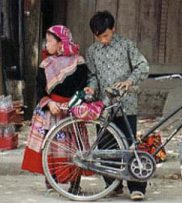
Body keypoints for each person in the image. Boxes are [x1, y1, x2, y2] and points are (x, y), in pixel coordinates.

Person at [84, 11, 149, 201]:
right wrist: (90, 89)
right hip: (104, 105)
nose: (102, 40)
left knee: (130, 145)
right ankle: (113, 183)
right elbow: (93, 76)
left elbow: (142, 66)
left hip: (126, 104)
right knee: (106, 145)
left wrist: (129, 82)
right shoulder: (92, 52)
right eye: (98, 37)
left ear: (113, 29)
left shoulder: (126, 45)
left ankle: (137, 187)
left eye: (105, 35)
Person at [21, 25, 88, 193]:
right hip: (51, 111)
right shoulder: (45, 64)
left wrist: (72, 104)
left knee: (75, 148)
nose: (46, 44)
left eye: (50, 41)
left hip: (71, 110)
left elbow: (82, 87)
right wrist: (49, 103)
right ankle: (52, 182)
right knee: (50, 147)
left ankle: (75, 184)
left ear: (61, 43)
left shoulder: (79, 63)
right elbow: (39, 89)